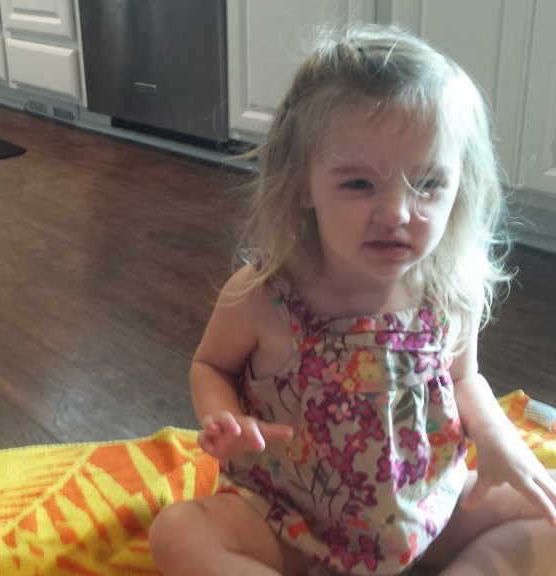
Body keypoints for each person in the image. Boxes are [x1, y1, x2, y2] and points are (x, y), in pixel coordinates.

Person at [148, 23, 556, 576]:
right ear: (302, 184)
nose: (397, 212)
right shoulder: (264, 294)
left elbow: (464, 378)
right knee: (179, 533)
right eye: (360, 184)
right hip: (291, 523)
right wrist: (224, 416)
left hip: (426, 513)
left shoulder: (447, 292)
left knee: (549, 502)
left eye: (428, 184)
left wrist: (498, 437)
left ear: (460, 185)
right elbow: (211, 365)